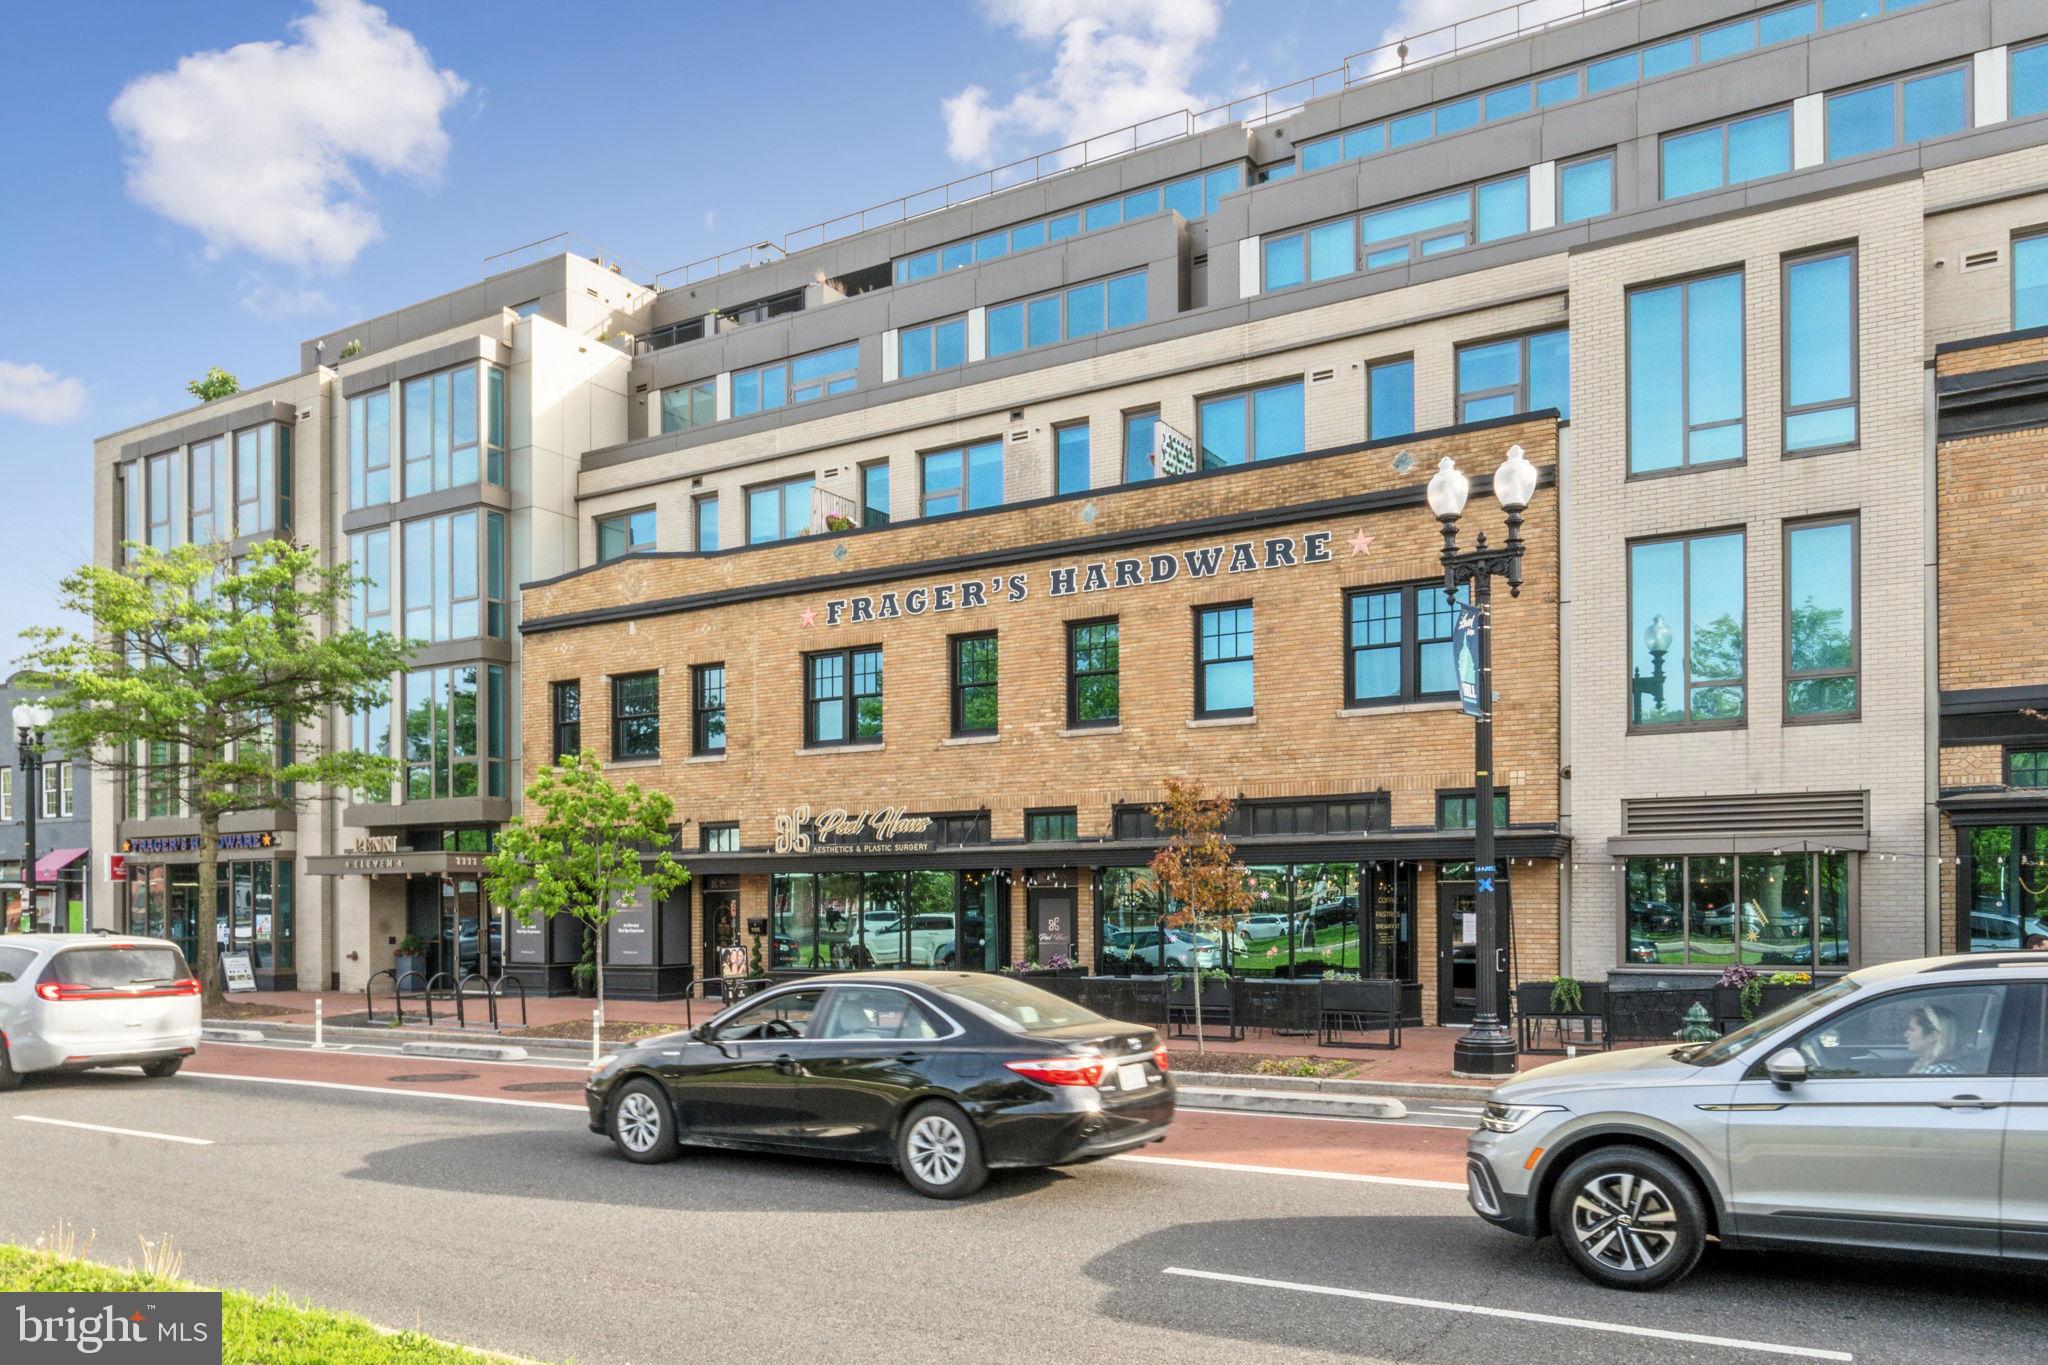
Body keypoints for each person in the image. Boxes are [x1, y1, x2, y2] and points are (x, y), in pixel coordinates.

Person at [1904, 1002, 1962, 1075]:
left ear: (1932, 1036)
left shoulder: (1937, 1072)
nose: (1906, 1034)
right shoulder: (1932, 1069)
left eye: (1912, 1029)